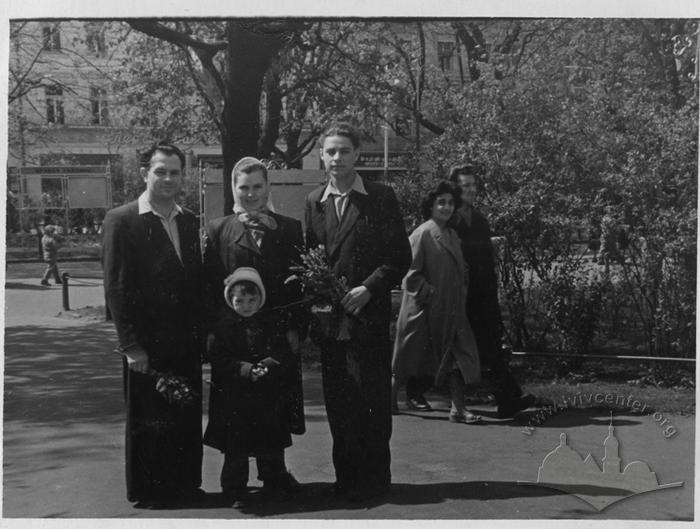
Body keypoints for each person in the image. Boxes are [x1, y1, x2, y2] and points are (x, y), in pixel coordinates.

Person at [304, 122, 411, 501]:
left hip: (368, 317)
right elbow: (310, 263)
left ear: (357, 155)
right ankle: (346, 480)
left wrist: (369, 287)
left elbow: (399, 256)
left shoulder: (380, 197)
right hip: (333, 325)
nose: (337, 158)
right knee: (340, 402)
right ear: (321, 154)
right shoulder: (314, 202)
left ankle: (376, 481)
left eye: (344, 151)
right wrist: (320, 304)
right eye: (330, 151)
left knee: (373, 401)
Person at [102, 142, 205, 508]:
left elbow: (194, 283)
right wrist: (130, 345)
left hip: (185, 340)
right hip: (146, 343)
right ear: (145, 172)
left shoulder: (189, 220)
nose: (167, 178)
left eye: (175, 172)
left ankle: (184, 484)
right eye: (160, 171)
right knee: (148, 418)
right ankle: (149, 491)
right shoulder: (122, 219)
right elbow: (116, 286)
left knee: (185, 413)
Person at [203, 156, 306, 447]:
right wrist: (214, 332)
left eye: (257, 186)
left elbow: (297, 286)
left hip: (275, 336)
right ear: (234, 188)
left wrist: (295, 328)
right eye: (243, 187)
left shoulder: (288, 228)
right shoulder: (219, 230)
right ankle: (233, 478)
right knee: (236, 409)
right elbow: (210, 287)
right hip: (234, 339)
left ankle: (275, 474)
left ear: (267, 187)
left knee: (274, 406)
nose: (250, 194)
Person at [203, 267, 301, 508]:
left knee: (271, 441)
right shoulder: (223, 329)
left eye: (252, 300)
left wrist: (267, 365)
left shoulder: (270, 324)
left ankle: (274, 482)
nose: (246, 305)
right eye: (240, 300)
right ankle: (235, 488)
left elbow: (281, 351)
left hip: (267, 394)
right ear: (230, 300)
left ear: (261, 299)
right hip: (236, 397)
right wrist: (247, 369)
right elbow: (220, 359)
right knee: (236, 445)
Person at [448, 163, 535, 418]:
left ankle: (507, 398)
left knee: (490, 346)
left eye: (474, 185)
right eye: (466, 186)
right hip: (461, 293)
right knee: (457, 347)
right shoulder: (450, 219)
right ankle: (412, 389)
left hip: (484, 292)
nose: (472, 190)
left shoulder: (479, 218)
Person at [392, 181, 482, 424]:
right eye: (441, 202)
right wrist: (428, 291)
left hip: (451, 309)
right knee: (408, 358)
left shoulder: (452, 234)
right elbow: (409, 273)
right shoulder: (422, 233)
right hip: (424, 310)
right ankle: (389, 397)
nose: (446, 207)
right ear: (430, 206)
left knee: (456, 356)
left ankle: (458, 409)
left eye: (451, 203)